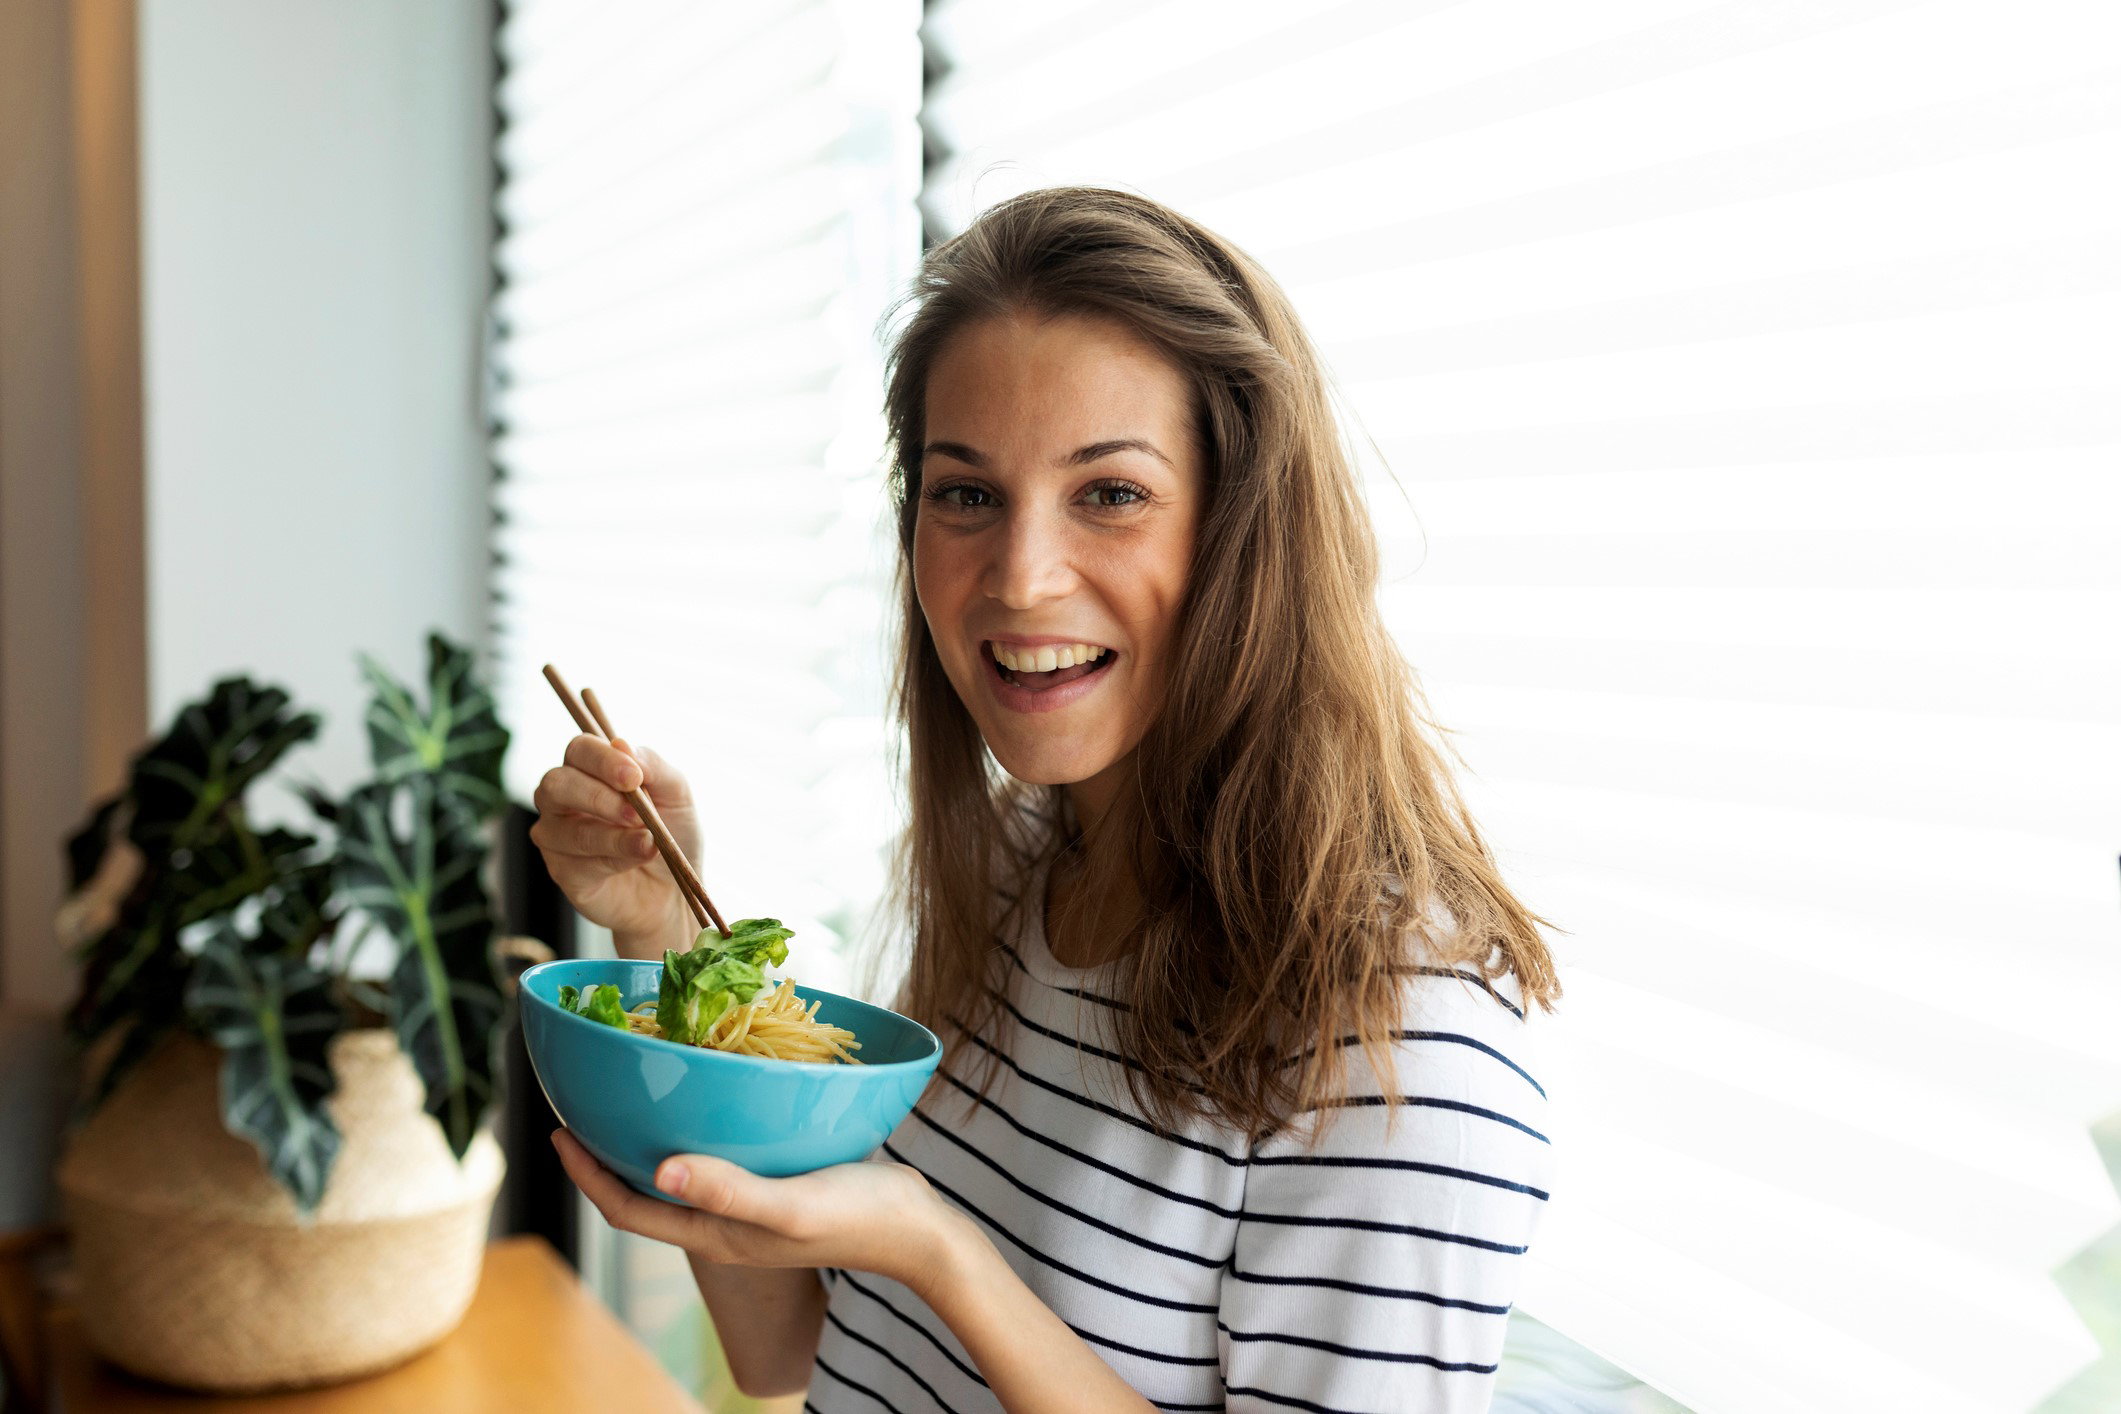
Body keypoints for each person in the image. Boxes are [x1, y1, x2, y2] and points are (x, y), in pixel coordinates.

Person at [529, 186, 1560, 1413]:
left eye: (1110, 493)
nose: (1020, 579)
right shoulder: (1015, 864)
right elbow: (789, 1348)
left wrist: (939, 1250)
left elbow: (907, 1255)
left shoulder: (1401, 1035)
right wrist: (661, 935)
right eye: (966, 493)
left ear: (1248, 532)